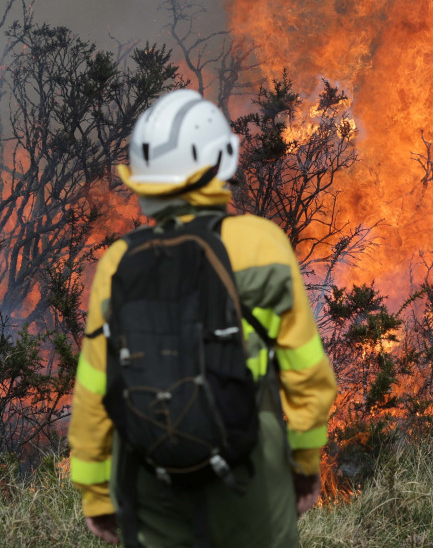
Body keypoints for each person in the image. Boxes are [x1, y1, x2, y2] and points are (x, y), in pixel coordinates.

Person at [68, 88, 338, 547]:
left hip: (151, 474)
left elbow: (95, 390)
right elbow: (308, 377)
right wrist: (303, 463)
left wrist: (96, 494)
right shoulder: (262, 245)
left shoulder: (118, 262)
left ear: (143, 181)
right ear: (222, 163)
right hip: (249, 470)